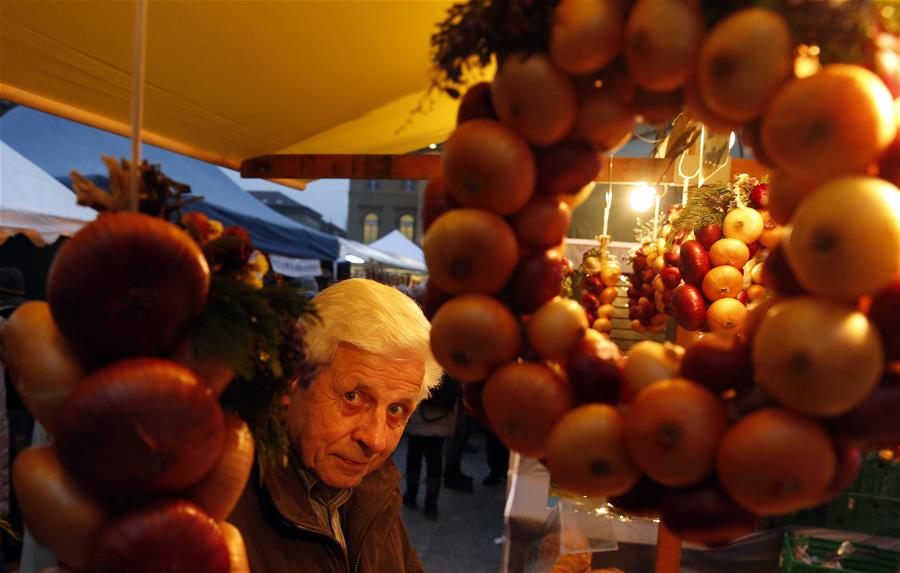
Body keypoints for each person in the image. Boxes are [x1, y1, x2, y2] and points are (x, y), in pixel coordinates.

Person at [230, 278, 443, 573]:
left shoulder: (376, 486)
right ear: (292, 381)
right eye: (353, 397)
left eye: (396, 409)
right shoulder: (223, 509)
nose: (376, 441)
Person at [402, 372, 458, 520]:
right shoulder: (449, 366)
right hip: (440, 423)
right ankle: (431, 505)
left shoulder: (423, 363)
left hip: (418, 421)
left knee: (413, 458)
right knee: (435, 462)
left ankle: (411, 496)